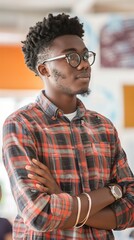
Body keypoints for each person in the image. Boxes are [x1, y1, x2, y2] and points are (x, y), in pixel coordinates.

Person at [2, 13, 134, 240]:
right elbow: (40, 215)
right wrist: (112, 192)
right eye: (71, 57)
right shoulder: (21, 125)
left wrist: (60, 196)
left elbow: (130, 211)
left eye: (85, 55)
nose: (83, 64)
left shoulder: (104, 127)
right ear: (43, 69)